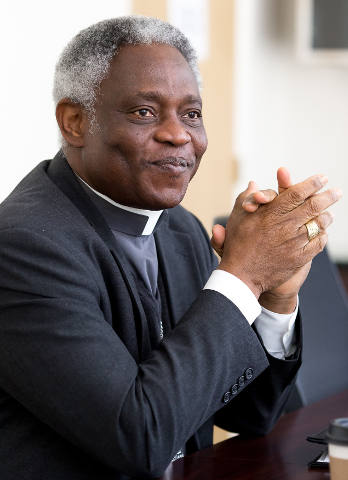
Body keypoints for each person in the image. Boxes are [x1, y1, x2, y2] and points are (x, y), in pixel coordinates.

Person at [0, 16, 341, 480]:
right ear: (75, 122)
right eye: (145, 112)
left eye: (191, 114)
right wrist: (242, 276)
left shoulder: (180, 230)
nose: (178, 135)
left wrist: (275, 296)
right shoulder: (22, 246)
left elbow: (248, 415)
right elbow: (138, 437)